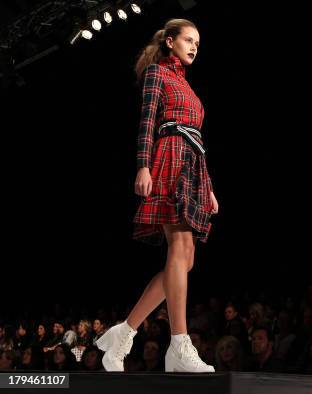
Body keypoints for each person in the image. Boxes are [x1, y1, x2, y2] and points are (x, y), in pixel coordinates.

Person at [95, 18, 217, 373]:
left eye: (198, 42)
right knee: (180, 250)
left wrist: (208, 187)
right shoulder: (157, 75)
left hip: (192, 165)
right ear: (169, 41)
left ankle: (124, 332)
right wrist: (142, 166)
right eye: (188, 40)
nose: (194, 46)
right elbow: (147, 121)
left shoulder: (187, 86)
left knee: (185, 259)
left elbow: (197, 140)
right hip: (167, 158)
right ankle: (179, 344)